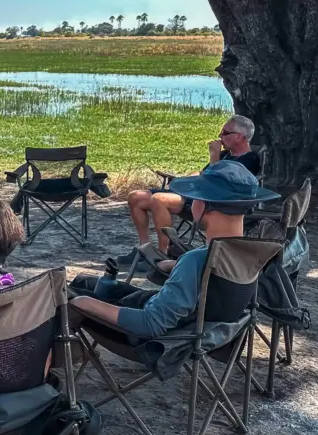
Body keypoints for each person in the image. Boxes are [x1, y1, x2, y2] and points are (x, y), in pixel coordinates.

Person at [71, 160, 279, 339]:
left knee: (71, 296)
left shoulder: (196, 259)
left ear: (203, 205)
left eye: (194, 197)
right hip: (207, 330)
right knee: (86, 282)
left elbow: (151, 324)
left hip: (161, 340)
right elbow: (212, 280)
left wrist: (83, 303)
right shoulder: (253, 252)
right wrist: (179, 264)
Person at [120, 115, 262, 264]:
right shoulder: (225, 155)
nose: (220, 136)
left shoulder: (250, 159)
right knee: (135, 197)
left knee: (159, 200)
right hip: (195, 193)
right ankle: (144, 248)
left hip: (210, 202)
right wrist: (185, 179)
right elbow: (203, 174)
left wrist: (214, 156)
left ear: (239, 137)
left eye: (225, 132)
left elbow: (216, 183)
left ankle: (163, 254)